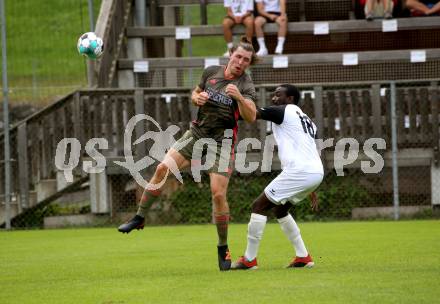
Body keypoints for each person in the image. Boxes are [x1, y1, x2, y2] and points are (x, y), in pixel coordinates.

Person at [118, 37, 258, 272]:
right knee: (162, 169)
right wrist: (197, 97)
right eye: (238, 57)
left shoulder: (246, 83)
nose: (241, 62)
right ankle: (140, 217)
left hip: (222, 141)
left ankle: (223, 246)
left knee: (217, 195)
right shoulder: (211, 72)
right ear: (231, 55)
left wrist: (240, 98)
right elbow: (195, 93)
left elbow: (251, 116)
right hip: (196, 133)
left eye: (246, 60)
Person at [231, 84, 324, 270]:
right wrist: (311, 187)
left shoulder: (284, 111)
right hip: (314, 172)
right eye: (273, 95)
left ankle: (249, 259)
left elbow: (249, 115)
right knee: (280, 210)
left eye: (278, 95)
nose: (274, 98)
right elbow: (309, 150)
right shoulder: (307, 121)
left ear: (290, 99)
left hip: (301, 171)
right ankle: (303, 257)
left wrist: (239, 98)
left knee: (258, 206)